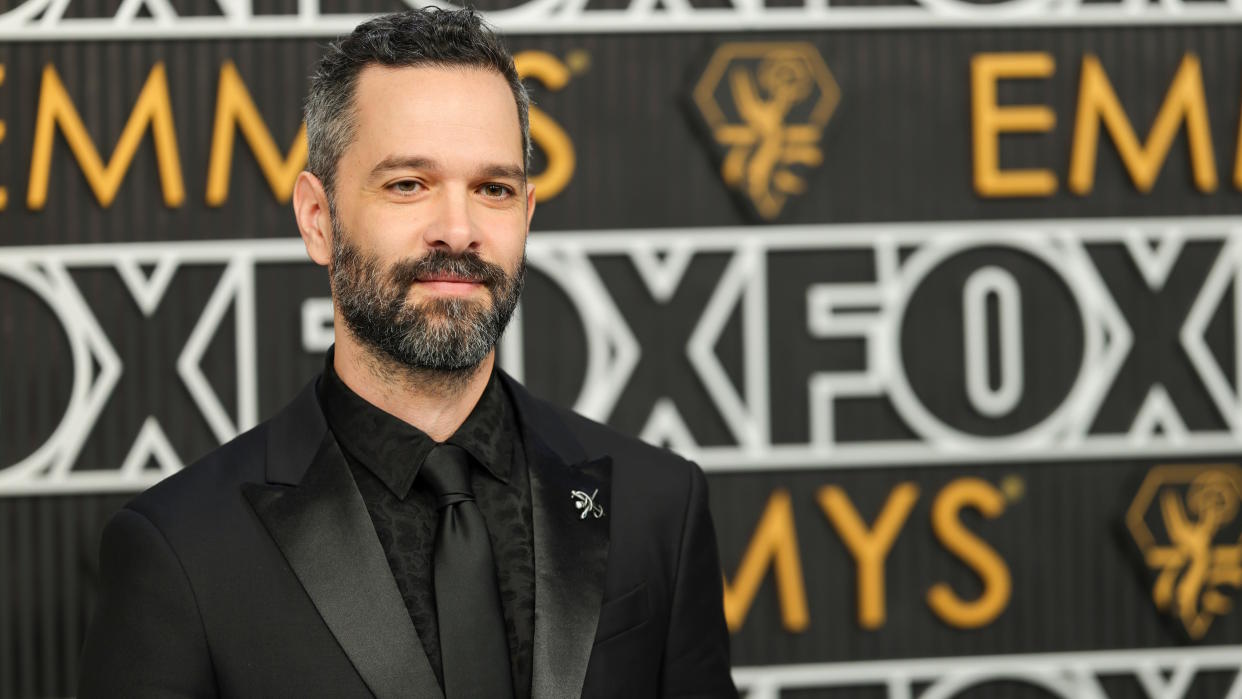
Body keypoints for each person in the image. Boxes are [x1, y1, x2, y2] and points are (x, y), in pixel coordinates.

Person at [77, 8, 737, 699]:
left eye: (493, 189)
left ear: (527, 214)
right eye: (408, 184)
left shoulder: (659, 506)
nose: (458, 230)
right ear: (317, 219)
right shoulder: (184, 552)